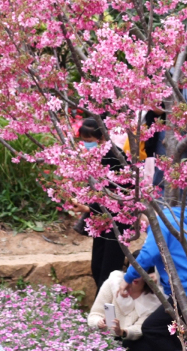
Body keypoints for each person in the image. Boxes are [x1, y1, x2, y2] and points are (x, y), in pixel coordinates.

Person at [122, 200, 187, 351]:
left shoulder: (160, 224)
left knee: (152, 328)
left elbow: (149, 253)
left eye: (138, 225)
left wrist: (127, 278)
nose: (141, 230)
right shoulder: (174, 220)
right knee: (170, 332)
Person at [75, 115, 132, 287]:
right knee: (97, 265)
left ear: (100, 138)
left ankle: (108, 309)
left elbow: (116, 191)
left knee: (109, 270)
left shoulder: (113, 155)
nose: (86, 144)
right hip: (101, 217)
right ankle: (100, 308)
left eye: (88, 140)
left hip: (117, 218)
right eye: (84, 140)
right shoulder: (97, 154)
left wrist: (89, 207)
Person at [87, 270, 159, 345]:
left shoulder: (153, 300)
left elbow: (140, 328)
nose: (135, 275)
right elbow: (94, 315)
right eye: (133, 270)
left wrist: (122, 332)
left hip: (133, 343)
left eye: (139, 271)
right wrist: (99, 322)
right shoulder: (113, 283)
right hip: (103, 340)